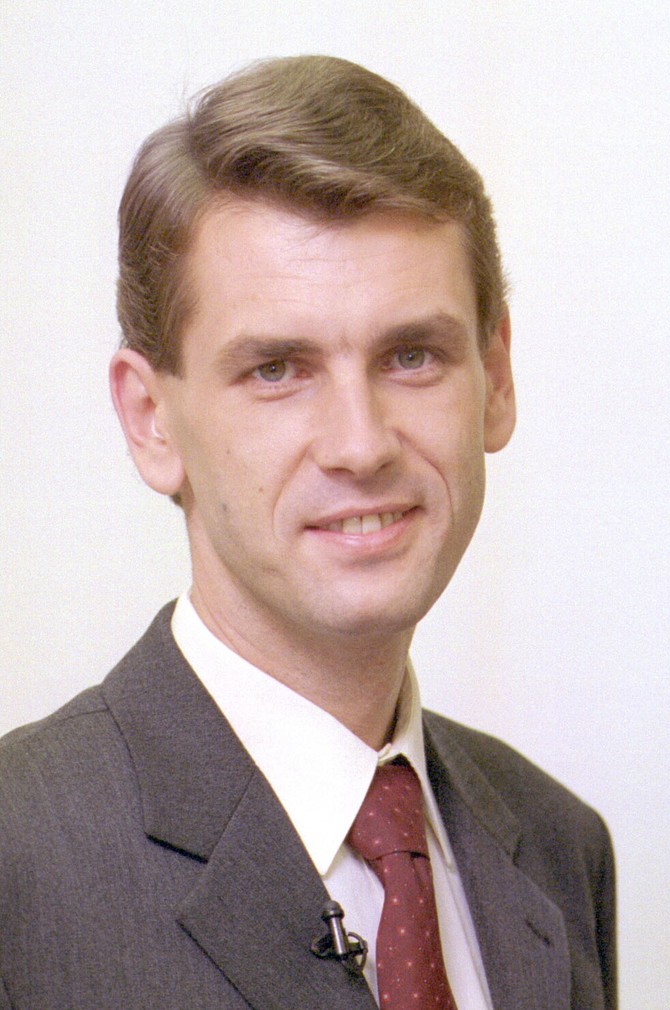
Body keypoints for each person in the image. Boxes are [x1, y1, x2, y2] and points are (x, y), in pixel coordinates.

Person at [0, 56, 614, 1010]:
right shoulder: (20, 855)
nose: (361, 444)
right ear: (151, 420)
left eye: (412, 356)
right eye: (278, 370)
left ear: (496, 378)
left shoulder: (559, 849)